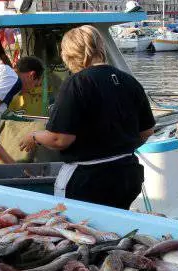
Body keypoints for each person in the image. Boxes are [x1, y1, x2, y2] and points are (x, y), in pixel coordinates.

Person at [19, 25, 155, 210]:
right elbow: (146, 131)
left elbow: (60, 139)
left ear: (70, 54)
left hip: (87, 179)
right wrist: (118, 146)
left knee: (81, 230)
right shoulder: (129, 80)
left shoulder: (77, 83)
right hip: (127, 174)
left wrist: (34, 136)